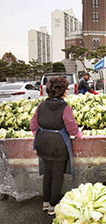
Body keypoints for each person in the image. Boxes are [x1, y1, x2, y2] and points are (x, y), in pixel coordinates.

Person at [30, 76, 82, 215]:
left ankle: (45, 202)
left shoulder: (41, 105)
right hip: (58, 145)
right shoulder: (65, 108)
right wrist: (79, 133)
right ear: (62, 92)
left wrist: (42, 136)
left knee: (47, 173)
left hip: (42, 144)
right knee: (57, 174)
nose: (67, 91)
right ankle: (53, 205)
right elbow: (72, 129)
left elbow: (33, 125)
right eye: (66, 89)